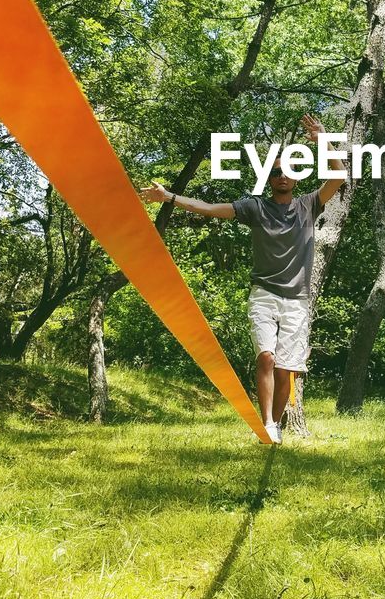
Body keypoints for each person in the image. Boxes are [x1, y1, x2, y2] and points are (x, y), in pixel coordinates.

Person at [139, 114, 346, 443]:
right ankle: (266, 422)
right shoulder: (255, 208)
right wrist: (169, 197)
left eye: (287, 171)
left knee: (286, 371)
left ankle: (275, 424)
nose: (281, 176)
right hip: (263, 294)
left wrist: (322, 138)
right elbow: (208, 208)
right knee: (266, 357)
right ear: (268, 178)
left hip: (297, 302)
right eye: (275, 172)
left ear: (296, 176)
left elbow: (339, 175)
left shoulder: (309, 205)